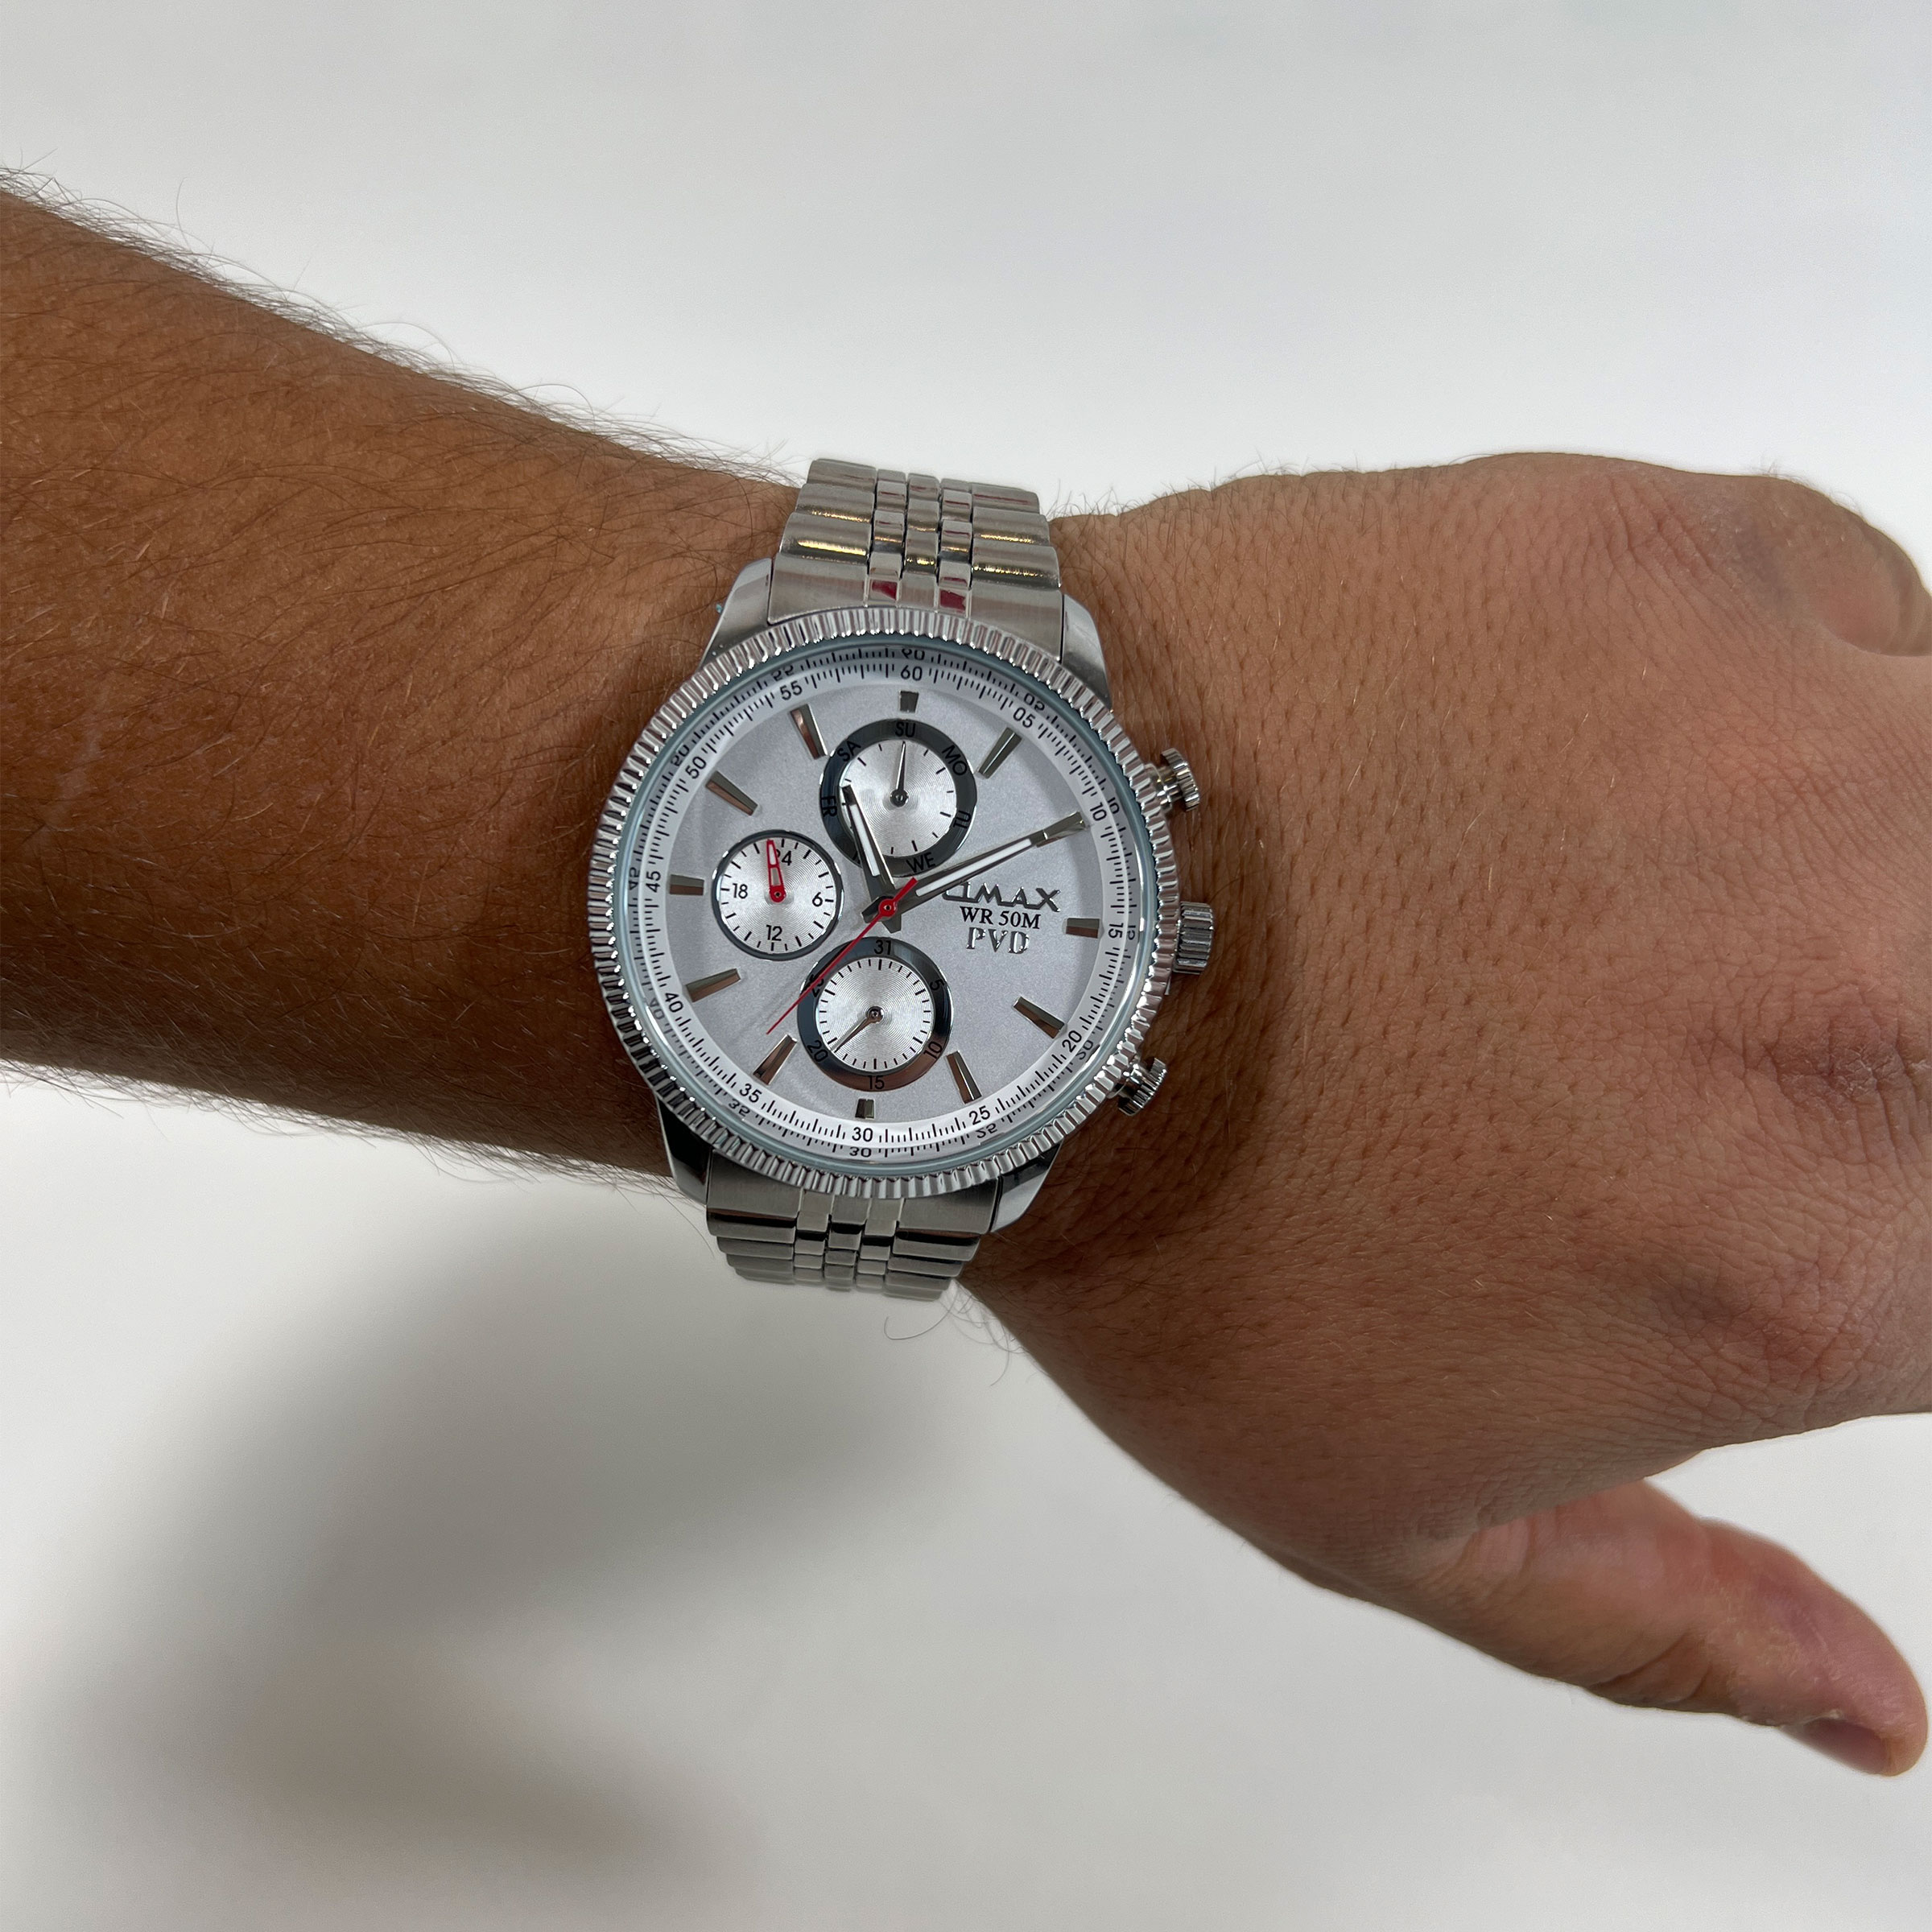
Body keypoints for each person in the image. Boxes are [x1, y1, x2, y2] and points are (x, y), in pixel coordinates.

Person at [4, 182, 1926, 1777]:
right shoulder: (1031, 934)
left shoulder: (1060, 920)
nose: (899, 894)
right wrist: (1183, 1145)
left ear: (1157, 885)